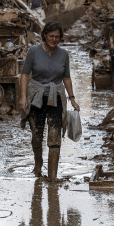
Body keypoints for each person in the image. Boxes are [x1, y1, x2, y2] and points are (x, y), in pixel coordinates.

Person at [19, 22, 80, 181]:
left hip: (56, 98)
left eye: (57, 37)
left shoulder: (64, 54)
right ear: (45, 35)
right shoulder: (34, 51)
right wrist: (23, 97)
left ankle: (53, 176)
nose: (54, 39)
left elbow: (66, 77)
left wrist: (72, 99)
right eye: (51, 36)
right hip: (36, 98)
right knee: (37, 137)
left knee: (55, 137)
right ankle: (38, 164)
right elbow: (25, 74)